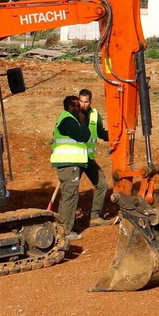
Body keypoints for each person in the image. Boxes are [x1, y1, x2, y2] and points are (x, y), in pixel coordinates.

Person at [50, 94, 91, 240]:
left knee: (67, 197)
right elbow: (83, 136)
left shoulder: (66, 118)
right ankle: (66, 231)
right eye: (77, 106)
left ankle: (64, 227)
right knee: (70, 197)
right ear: (70, 107)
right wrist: (84, 123)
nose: (80, 108)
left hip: (68, 164)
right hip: (69, 164)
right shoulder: (68, 120)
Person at [77, 88, 112, 225]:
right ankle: (69, 220)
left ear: (90, 101)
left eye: (86, 102)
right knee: (72, 190)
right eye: (81, 101)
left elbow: (101, 133)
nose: (83, 104)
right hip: (76, 158)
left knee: (102, 185)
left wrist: (116, 135)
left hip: (88, 158)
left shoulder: (94, 115)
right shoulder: (72, 114)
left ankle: (94, 216)